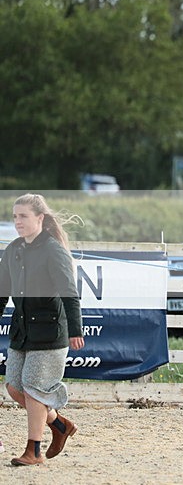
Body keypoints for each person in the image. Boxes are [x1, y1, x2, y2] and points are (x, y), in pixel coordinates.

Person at [0, 194, 85, 466]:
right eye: (15, 217)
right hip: (22, 331)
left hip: (50, 332)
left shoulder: (53, 250)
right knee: (15, 387)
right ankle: (59, 424)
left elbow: (69, 293)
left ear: (40, 218)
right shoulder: (12, 250)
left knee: (34, 390)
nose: (18, 222)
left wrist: (75, 329)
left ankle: (33, 451)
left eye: (23, 216)